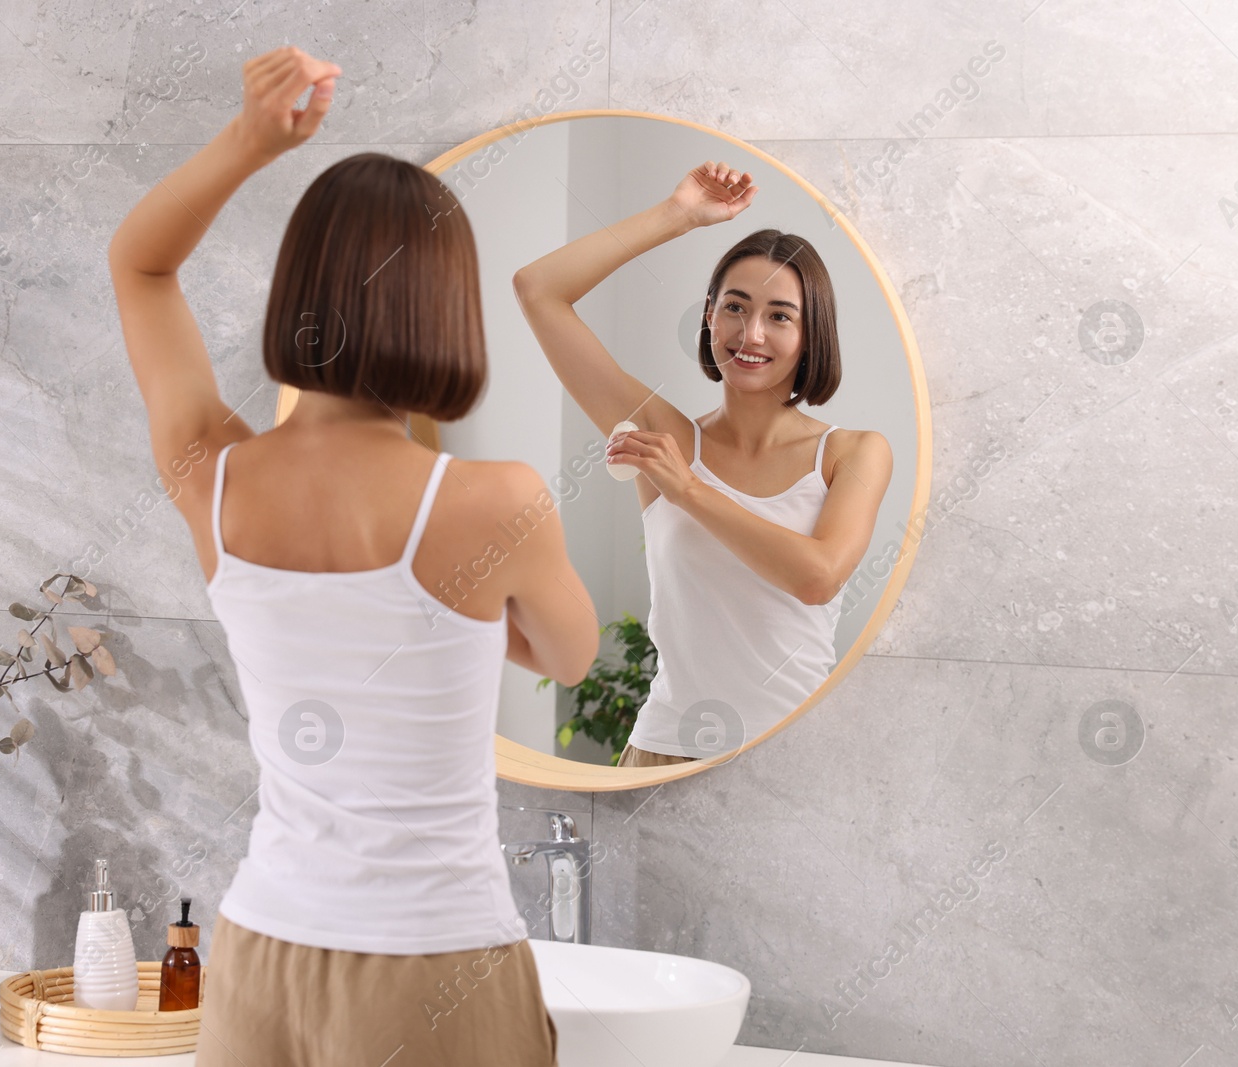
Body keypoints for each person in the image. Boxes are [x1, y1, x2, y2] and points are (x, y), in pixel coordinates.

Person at [108, 45, 596, 1067]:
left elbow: (140, 263)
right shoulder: (494, 500)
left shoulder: (214, 475)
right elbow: (567, 656)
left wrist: (250, 140)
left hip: (258, 960)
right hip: (435, 967)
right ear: (444, 311)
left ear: (298, 290)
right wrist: (461, 613)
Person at [513, 163, 892, 767]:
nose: (752, 333)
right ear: (709, 315)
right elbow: (538, 289)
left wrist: (688, 490)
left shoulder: (853, 452)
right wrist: (678, 215)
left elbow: (817, 577)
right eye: (735, 307)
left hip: (792, 756)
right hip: (663, 751)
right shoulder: (665, 435)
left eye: (780, 315)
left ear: (811, 331)